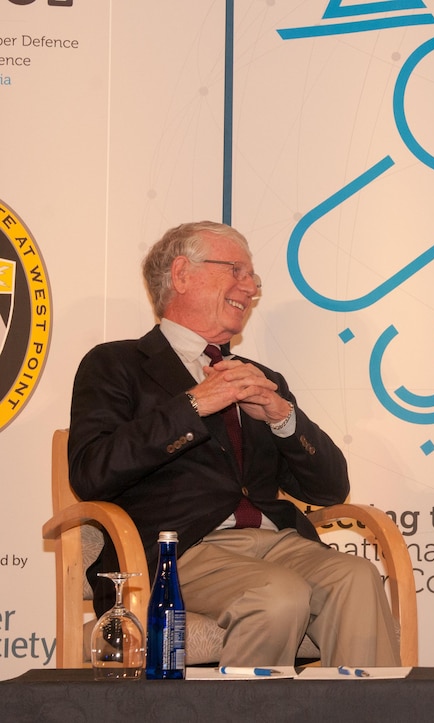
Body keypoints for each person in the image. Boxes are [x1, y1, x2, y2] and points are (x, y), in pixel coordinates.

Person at [68, 221, 400, 667]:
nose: (250, 288)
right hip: (176, 551)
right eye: (237, 271)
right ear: (182, 274)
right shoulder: (116, 364)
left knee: (357, 576)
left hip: (277, 542)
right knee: (280, 596)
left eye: (253, 280)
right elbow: (92, 472)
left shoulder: (260, 378)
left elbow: (329, 491)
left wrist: (283, 418)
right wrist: (192, 406)